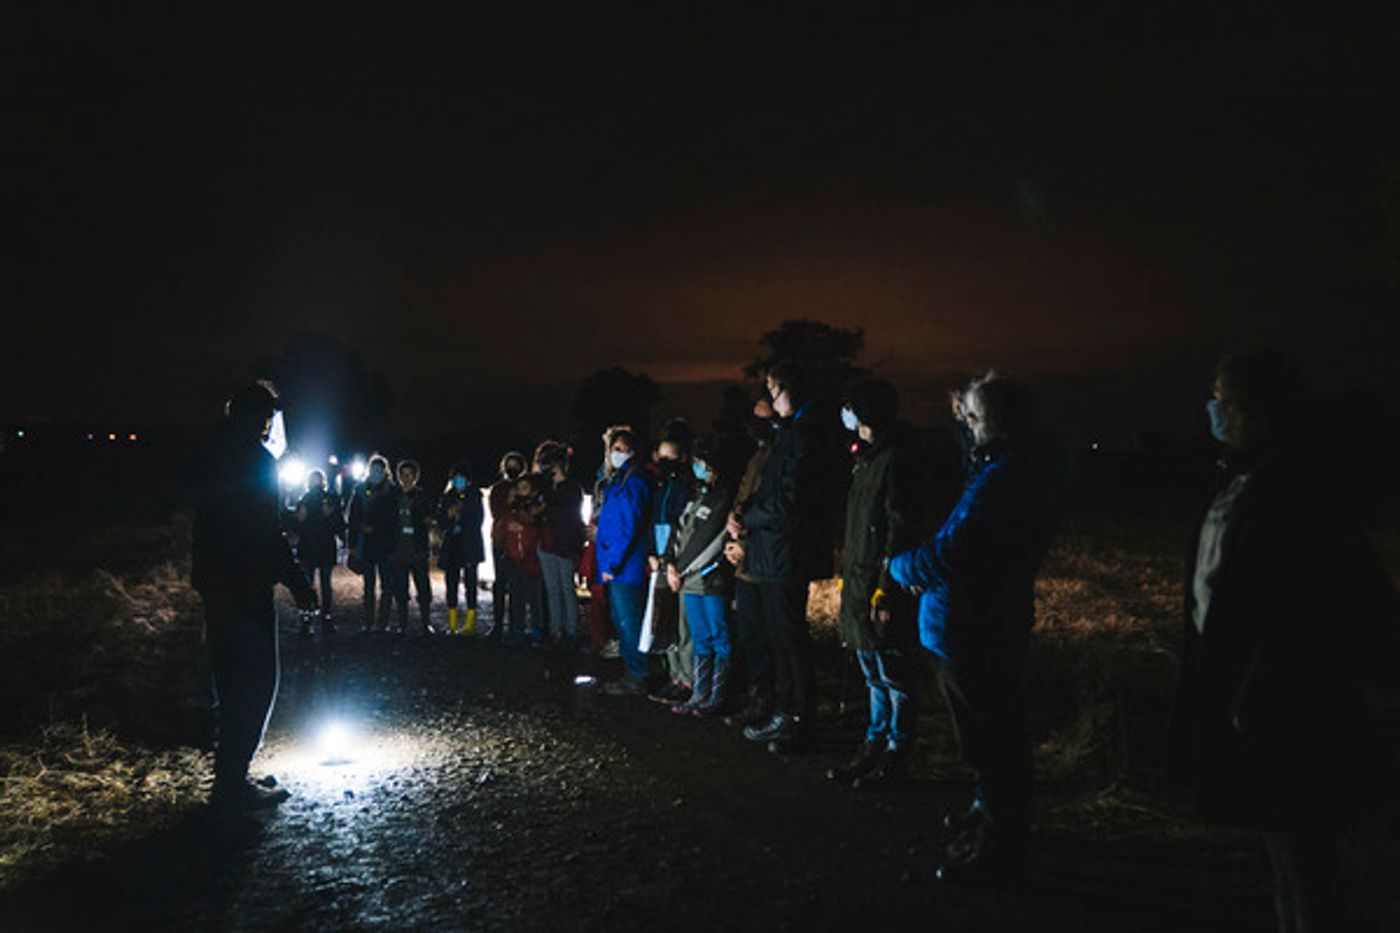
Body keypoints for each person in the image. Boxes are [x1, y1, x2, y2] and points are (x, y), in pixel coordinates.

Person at [1169, 351, 1400, 930]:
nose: (1212, 410)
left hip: (1286, 708)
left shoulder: (1294, 487)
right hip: (1256, 698)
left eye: (1221, 399)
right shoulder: (1250, 473)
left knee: (1303, 858)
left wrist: (1257, 689)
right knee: (1283, 852)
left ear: (1253, 408)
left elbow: (1308, 608)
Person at [889, 371, 1055, 885]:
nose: (966, 423)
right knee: (989, 736)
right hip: (971, 620)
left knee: (991, 739)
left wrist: (902, 568)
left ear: (998, 421)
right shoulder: (998, 469)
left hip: (976, 625)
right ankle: (991, 817)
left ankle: (1001, 844)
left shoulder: (1004, 478)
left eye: (973, 416)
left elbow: (955, 547)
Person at [191, 381, 317, 810]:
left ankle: (229, 774)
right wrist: (299, 584)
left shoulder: (210, 456)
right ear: (257, 419)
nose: (270, 427)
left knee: (227, 680)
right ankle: (231, 783)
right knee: (257, 681)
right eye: (267, 418)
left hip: (217, 583)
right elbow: (266, 534)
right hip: (244, 587)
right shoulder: (255, 462)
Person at [730, 362, 838, 753]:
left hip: (785, 554)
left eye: (775, 390)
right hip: (774, 551)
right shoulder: (792, 434)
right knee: (780, 639)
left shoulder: (805, 435)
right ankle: (785, 713)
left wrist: (750, 519)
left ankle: (797, 721)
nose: (771, 398)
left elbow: (788, 503)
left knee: (790, 640)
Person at [828, 378, 924, 789]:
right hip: (858, 580)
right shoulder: (867, 459)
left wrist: (886, 586)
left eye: (851, 406)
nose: (846, 414)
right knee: (873, 670)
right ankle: (874, 743)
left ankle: (896, 753)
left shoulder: (895, 459)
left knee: (895, 674)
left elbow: (899, 528)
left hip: (879, 587)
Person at [663, 434, 735, 716]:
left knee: (719, 635)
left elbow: (709, 540)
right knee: (700, 636)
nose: (697, 467)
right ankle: (699, 693)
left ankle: (718, 696)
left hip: (711, 579)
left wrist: (679, 569)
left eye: (701, 462)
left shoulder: (723, 496)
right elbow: (679, 532)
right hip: (687, 581)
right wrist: (670, 561)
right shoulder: (696, 495)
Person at [722, 397, 777, 727]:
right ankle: (757, 694)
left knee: (767, 637)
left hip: (763, 562)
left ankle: (769, 700)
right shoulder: (757, 456)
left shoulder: (777, 456)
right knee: (750, 634)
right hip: (746, 559)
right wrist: (733, 527)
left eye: (762, 419)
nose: (754, 426)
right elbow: (744, 501)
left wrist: (745, 543)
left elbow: (772, 510)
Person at [595, 426, 654, 695]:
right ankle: (634, 671)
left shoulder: (634, 481)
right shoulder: (620, 480)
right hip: (618, 564)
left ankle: (637, 674)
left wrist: (611, 564)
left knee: (629, 620)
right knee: (622, 619)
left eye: (620, 449)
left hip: (624, 567)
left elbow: (626, 527)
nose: (614, 454)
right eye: (612, 449)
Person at [648, 432, 697, 703]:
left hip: (677, 563)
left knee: (683, 625)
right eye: (662, 456)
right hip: (659, 559)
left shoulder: (686, 488)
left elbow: (683, 528)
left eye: (672, 457)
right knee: (665, 621)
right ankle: (674, 675)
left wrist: (673, 563)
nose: (666, 462)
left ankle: (687, 679)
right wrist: (651, 554)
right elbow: (651, 522)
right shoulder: (661, 486)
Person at [536, 440, 586, 651]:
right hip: (546, 544)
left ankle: (571, 631)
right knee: (553, 590)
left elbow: (565, 514)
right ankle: (556, 630)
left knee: (567, 590)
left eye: (550, 465)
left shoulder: (572, 489)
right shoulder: (546, 488)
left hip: (565, 545)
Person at [492, 473, 550, 646]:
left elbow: (539, 534)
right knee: (516, 598)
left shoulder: (538, 510)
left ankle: (537, 632)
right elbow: (498, 534)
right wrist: (505, 525)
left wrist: (522, 530)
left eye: (525, 488)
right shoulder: (511, 511)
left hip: (533, 563)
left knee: (535, 600)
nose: (521, 491)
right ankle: (517, 630)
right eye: (519, 488)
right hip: (514, 562)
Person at [346, 454, 399, 632]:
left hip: (385, 545)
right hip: (366, 545)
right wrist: (353, 543)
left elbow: (395, 520)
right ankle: (368, 621)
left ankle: (383, 623)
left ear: (385, 471)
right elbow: (353, 518)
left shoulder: (392, 491)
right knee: (368, 585)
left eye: (379, 469)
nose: (376, 473)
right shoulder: (360, 490)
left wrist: (381, 531)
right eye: (373, 469)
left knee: (387, 585)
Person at [291, 468, 344, 636]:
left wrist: (329, 515)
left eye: (318, 480)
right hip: (311, 548)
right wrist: (299, 520)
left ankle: (322, 618)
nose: (316, 484)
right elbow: (296, 526)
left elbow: (339, 525)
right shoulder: (305, 500)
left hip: (320, 547)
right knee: (312, 585)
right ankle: (310, 619)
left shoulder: (327, 499)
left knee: (323, 585)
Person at [386, 459, 435, 634]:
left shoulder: (422, 496)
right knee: (400, 587)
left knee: (423, 587)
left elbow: (430, 516)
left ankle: (425, 623)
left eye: (410, 475)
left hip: (417, 548)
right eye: (403, 475)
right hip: (398, 548)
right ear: (398, 476)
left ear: (416, 477)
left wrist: (427, 521)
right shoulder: (391, 496)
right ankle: (403, 623)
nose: (406, 478)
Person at [437, 463, 485, 635]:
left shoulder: (475, 496)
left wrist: (462, 518)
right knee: (451, 584)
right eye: (456, 478)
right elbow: (441, 522)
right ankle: (452, 624)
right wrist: (448, 516)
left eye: (462, 478)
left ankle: (470, 624)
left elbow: (477, 520)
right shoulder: (447, 497)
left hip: (469, 545)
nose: (459, 481)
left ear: (468, 480)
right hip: (452, 546)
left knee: (471, 584)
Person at [488, 451, 528, 636]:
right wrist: (510, 501)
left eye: (516, 466)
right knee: (500, 583)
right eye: (509, 466)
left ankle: (515, 626)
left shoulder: (526, 488)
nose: (513, 470)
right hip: (500, 539)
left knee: (517, 584)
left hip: (519, 541)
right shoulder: (497, 489)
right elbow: (497, 512)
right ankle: (497, 625)